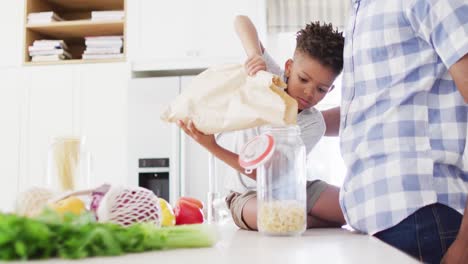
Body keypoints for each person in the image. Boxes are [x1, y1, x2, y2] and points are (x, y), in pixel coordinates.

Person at [321, 0, 468, 263]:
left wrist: (465, 245)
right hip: (374, 221)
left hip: (421, 217)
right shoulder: (360, 10)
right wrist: (299, 123)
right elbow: (372, 108)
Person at [178, 15, 345, 230]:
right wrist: (255, 55)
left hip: (291, 188)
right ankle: (297, 219)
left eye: (321, 89)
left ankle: (297, 218)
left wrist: (212, 146)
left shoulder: (314, 124)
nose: (309, 92)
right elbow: (240, 21)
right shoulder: (270, 79)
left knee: (347, 209)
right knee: (273, 218)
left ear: (331, 89)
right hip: (246, 194)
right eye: (303, 79)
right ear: (288, 68)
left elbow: (271, 173)